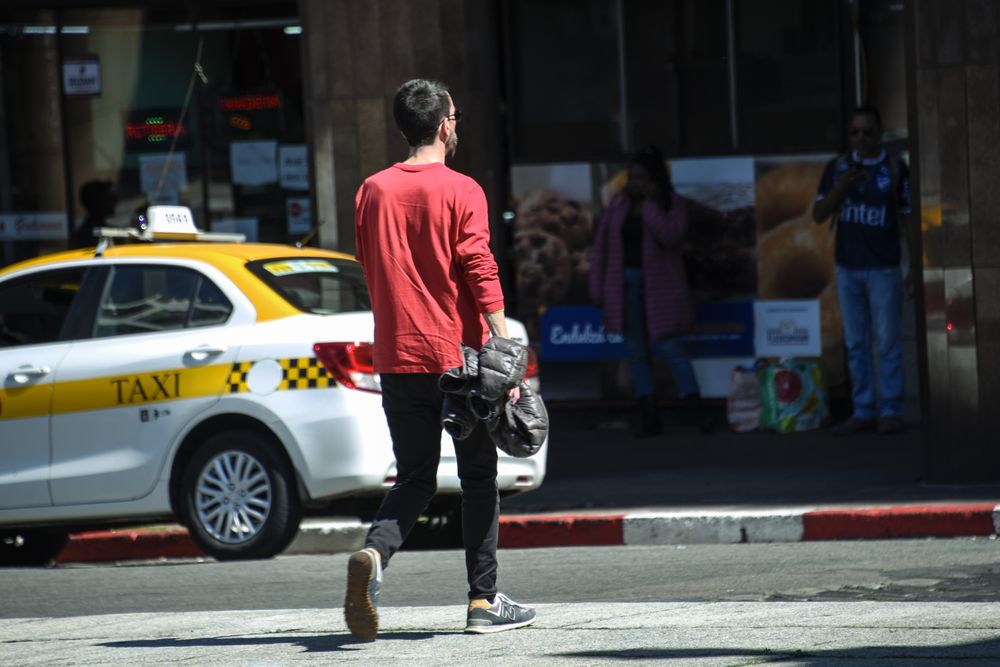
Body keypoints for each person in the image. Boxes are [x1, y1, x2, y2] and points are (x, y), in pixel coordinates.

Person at [345, 79, 536, 641]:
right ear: (446, 124)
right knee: (479, 476)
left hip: (398, 357)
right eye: (455, 114)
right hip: (459, 360)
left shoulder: (371, 191)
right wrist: (506, 351)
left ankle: (374, 557)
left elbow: (368, 261)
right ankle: (483, 601)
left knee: (414, 479)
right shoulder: (462, 189)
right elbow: (479, 267)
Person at [589, 145, 710, 438]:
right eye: (633, 177)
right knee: (636, 352)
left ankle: (696, 412)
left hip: (660, 289)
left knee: (671, 348)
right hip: (625, 286)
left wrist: (650, 208)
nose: (636, 183)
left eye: (643, 178)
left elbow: (672, 236)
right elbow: (602, 248)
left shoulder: (670, 204)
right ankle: (649, 416)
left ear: (655, 179)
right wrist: (597, 288)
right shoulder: (617, 206)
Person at [812, 105, 913, 436]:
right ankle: (863, 409)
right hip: (848, 268)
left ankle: (891, 409)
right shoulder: (838, 167)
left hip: (883, 268)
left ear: (879, 133)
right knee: (855, 343)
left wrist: (915, 264)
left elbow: (909, 218)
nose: (860, 138)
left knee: (886, 342)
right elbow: (818, 214)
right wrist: (841, 187)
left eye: (867, 132)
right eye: (855, 132)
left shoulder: (895, 169)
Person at [72, 179, 117, 248]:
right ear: (97, 203)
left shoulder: (104, 229)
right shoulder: (88, 235)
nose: (115, 201)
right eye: (109, 198)